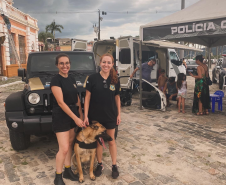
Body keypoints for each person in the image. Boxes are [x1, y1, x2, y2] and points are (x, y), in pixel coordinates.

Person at [84, 53, 121, 179]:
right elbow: (87, 97)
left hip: (110, 115)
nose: (106, 64)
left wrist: (119, 114)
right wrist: (85, 115)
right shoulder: (92, 78)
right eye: (104, 62)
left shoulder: (115, 79)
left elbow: (117, 97)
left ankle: (114, 165)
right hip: (95, 117)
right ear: (100, 63)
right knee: (99, 142)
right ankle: (100, 164)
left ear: (112, 64)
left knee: (111, 141)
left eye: (109, 62)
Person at [51, 53, 84, 185]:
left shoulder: (72, 78)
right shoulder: (56, 80)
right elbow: (60, 102)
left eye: (67, 63)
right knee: (63, 148)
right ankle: (58, 176)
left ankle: (68, 170)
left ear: (69, 64)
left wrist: (80, 113)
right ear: (57, 65)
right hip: (61, 115)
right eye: (61, 63)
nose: (65, 66)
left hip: (73, 114)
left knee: (70, 144)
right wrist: (76, 118)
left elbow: (76, 98)